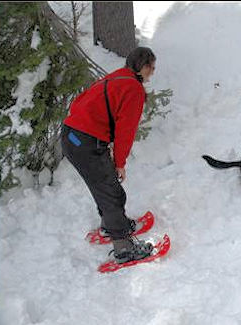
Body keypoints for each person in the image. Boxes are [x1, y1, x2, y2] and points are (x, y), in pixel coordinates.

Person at [61, 47, 156, 264]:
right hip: (85, 142)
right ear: (142, 67)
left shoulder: (118, 76)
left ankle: (111, 225)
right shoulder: (133, 88)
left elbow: (81, 100)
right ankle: (123, 248)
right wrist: (119, 163)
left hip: (72, 136)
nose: (153, 72)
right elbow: (126, 130)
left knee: (105, 187)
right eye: (152, 67)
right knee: (111, 192)